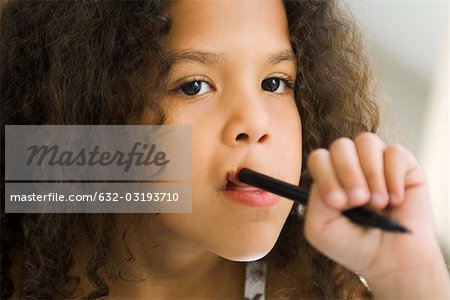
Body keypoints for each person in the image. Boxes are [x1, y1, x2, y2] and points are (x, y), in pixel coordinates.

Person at [1, 0, 449, 299]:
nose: (254, 123)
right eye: (193, 86)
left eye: (275, 83)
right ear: (86, 111)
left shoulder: (318, 288)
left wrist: (411, 280)